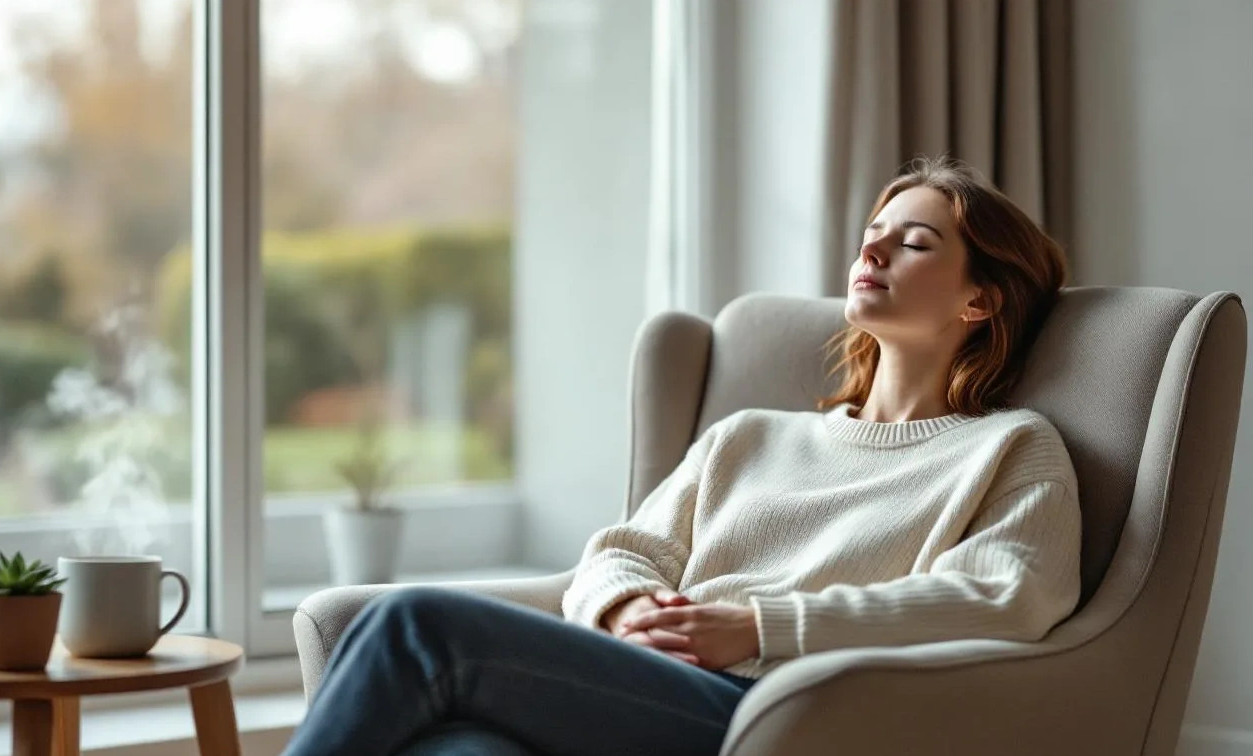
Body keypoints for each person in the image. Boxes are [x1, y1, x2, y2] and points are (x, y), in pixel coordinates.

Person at [281, 155, 1082, 756]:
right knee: (456, 751)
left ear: (978, 300)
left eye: (912, 245)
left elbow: (1006, 599)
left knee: (414, 622)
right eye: (871, 238)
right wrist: (628, 609)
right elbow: (620, 553)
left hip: (783, 715)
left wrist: (759, 626)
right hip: (644, 685)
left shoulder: (1009, 448)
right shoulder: (751, 437)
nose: (871, 255)